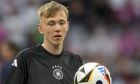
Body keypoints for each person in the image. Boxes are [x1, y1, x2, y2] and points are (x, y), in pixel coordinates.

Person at [4, 1, 82, 84]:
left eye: (61, 23)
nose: (57, 28)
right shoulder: (26, 58)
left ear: (67, 26)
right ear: (40, 28)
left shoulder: (75, 61)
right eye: (51, 23)